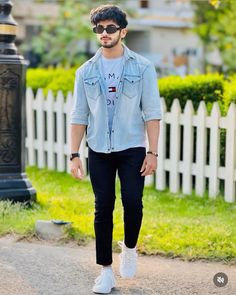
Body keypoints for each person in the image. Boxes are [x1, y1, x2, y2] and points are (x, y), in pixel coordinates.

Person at [70, 4, 162, 294]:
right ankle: (106, 272)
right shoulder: (85, 71)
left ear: (123, 31)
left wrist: (153, 152)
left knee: (133, 203)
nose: (104, 33)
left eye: (110, 28)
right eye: (99, 29)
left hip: (133, 147)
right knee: (103, 208)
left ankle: (130, 248)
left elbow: (152, 112)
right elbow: (78, 115)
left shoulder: (142, 67)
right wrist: (74, 155)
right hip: (99, 149)